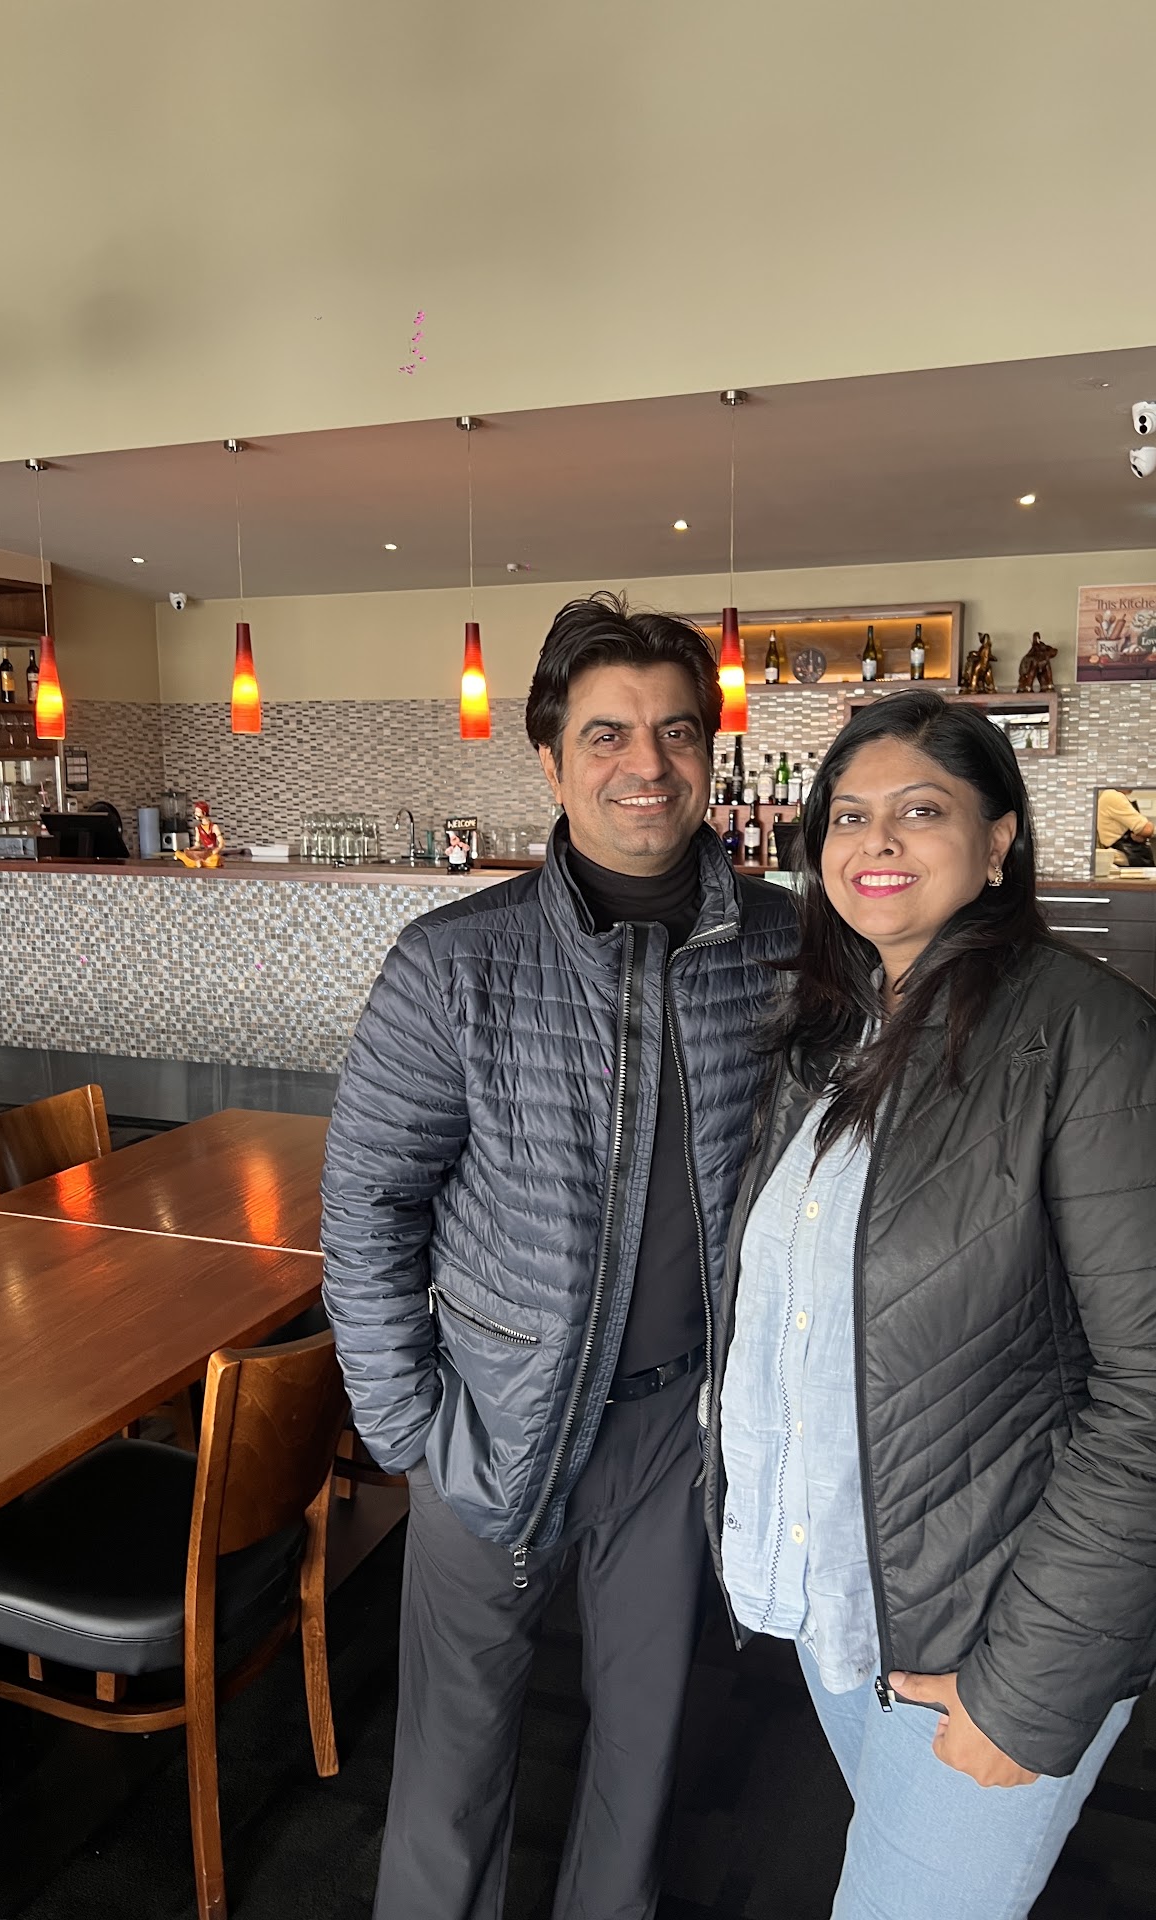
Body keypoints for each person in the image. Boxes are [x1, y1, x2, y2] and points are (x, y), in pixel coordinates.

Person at [706, 690, 1156, 1920]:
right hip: (851, 1604)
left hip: (992, 1633)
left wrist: (1029, 1687)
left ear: (998, 840)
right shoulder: (831, 1040)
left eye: (921, 811)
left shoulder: (1101, 1046)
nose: (877, 842)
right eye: (850, 815)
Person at [321, 591, 797, 1920]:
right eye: (606, 734)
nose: (647, 764)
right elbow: (366, 1209)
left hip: (675, 1434)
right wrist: (408, 1428)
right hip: (492, 1421)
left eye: (677, 732)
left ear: (710, 751)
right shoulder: (453, 964)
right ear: (549, 760)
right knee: (453, 1770)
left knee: (644, 1750)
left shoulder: (781, 948)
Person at [1096, 785, 1156, 866]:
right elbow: (1147, 829)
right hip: (1127, 858)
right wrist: (1144, 830)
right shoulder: (1113, 796)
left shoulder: (1106, 795)